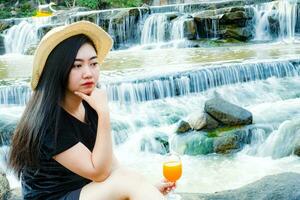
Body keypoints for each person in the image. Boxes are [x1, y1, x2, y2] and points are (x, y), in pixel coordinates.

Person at [8, 21, 175, 200]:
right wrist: (104, 113)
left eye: (93, 64)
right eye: (77, 66)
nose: (88, 73)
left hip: (83, 191)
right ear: (58, 70)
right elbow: (99, 173)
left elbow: (113, 167)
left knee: (130, 179)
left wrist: (144, 188)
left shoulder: (88, 104)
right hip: (54, 197)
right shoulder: (49, 121)